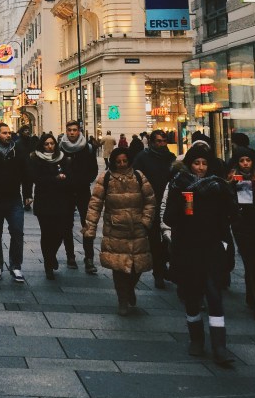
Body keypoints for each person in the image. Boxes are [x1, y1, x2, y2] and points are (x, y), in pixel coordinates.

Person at [163, 144, 238, 364]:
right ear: (190, 164)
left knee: (214, 295)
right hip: (187, 248)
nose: (201, 167)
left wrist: (231, 193)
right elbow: (169, 218)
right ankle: (196, 339)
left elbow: (230, 214)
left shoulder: (217, 186)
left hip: (212, 247)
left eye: (204, 163)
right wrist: (185, 203)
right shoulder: (179, 185)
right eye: (197, 163)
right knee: (192, 295)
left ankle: (219, 346)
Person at [83, 147, 155, 315]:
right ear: (113, 163)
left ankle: (130, 289)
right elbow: (95, 205)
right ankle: (122, 299)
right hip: (115, 229)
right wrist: (90, 228)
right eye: (118, 162)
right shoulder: (106, 178)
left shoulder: (139, 176)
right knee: (119, 268)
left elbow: (150, 201)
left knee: (137, 266)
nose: (122, 164)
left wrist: (145, 221)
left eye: (124, 161)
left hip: (137, 229)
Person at [0, 122, 32, 282]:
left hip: (14, 199)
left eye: (9, 133)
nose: (8, 135)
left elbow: (26, 173)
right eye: (4, 133)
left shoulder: (18, 150)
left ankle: (16, 266)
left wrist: (28, 194)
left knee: (17, 232)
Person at [227, 147, 255, 321]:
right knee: (250, 261)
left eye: (248, 160)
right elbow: (232, 203)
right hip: (242, 226)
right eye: (242, 160)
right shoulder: (232, 178)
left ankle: (250, 294)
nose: (245, 164)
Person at [132, 129, 176, 289]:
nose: (162, 144)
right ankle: (159, 272)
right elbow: (135, 179)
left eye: (164, 141)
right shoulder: (142, 158)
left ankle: (163, 265)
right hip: (149, 204)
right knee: (154, 241)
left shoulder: (171, 158)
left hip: (168, 204)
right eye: (158, 141)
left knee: (167, 239)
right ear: (151, 142)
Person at [29, 133, 75, 278]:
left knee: (60, 232)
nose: (50, 146)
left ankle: (51, 255)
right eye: (46, 144)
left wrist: (65, 178)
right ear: (42, 145)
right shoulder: (36, 159)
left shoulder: (62, 158)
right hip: (44, 201)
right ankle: (48, 264)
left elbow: (70, 177)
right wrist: (55, 178)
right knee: (47, 233)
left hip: (61, 201)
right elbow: (36, 178)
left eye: (52, 143)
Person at [58, 121, 99, 274]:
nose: (72, 133)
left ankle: (89, 258)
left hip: (83, 191)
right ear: (66, 131)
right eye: (69, 130)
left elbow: (94, 169)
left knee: (87, 224)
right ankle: (70, 256)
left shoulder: (87, 148)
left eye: (74, 130)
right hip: (66, 192)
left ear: (79, 131)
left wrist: (84, 180)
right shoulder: (60, 148)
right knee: (66, 225)